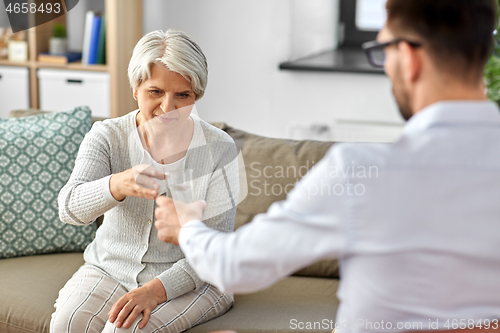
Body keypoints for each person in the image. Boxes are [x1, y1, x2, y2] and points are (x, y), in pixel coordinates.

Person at [155, 1, 500, 332]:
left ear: (409, 58)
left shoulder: (362, 174)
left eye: (384, 53)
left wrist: (187, 227)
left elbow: (234, 266)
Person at [51, 30, 239, 333]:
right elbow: (69, 208)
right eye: (155, 92)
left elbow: (216, 249)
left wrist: (155, 290)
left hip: (198, 278)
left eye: (183, 95)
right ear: (135, 88)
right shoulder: (108, 137)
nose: (168, 107)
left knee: (124, 331)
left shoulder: (220, 149)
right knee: (68, 324)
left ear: (196, 95)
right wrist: (117, 185)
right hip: (109, 269)